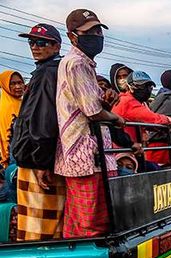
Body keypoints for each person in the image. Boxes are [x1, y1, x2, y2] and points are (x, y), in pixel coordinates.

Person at [56, 8, 125, 238]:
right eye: (89, 31)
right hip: (85, 156)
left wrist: (107, 104)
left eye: (98, 30)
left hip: (86, 156)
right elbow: (93, 112)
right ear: (72, 36)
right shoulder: (77, 64)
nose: (96, 35)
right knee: (92, 225)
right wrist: (116, 118)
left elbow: (93, 107)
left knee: (78, 224)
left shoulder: (82, 64)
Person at [10, 23, 66, 241]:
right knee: (50, 227)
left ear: (56, 46)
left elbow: (45, 120)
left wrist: (42, 162)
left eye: (42, 42)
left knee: (38, 232)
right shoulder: (50, 70)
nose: (35, 46)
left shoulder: (47, 73)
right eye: (31, 41)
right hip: (39, 159)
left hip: (37, 163)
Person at [111, 70, 171, 167]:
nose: (147, 89)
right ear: (131, 87)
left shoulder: (139, 103)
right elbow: (153, 118)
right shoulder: (127, 102)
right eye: (142, 86)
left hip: (133, 150)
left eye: (149, 87)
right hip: (124, 154)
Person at [0, 70, 25, 169]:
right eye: (13, 84)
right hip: (12, 158)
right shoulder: (5, 107)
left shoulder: (23, 103)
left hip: (21, 155)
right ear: (5, 86)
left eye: (20, 82)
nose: (18, 87)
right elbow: (6, 137)